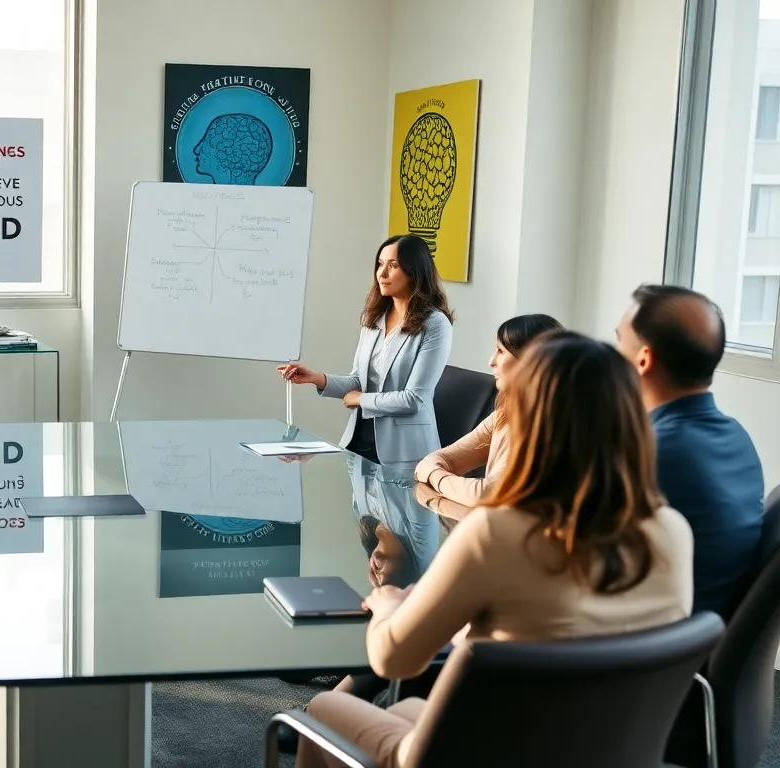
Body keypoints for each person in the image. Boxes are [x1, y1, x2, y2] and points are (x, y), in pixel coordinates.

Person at [294, 331, 693, 768]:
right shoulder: (672, 530)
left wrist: (389, 603)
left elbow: (395, 658)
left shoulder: (497, 533)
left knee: (322, 712)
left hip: (488, 752)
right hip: (605, 751)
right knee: (406, 711)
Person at [616, 284, 765, 618]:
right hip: (692, 643)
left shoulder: (649, 452)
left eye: (618, 341)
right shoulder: (737, 437)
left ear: (643, 359)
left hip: (637, 651)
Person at [279, 234, 454, 464]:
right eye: (380, 264)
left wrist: (361, 400)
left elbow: (413, 399)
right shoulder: (374, 319)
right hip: (359, 442)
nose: (382, 274)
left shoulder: (435, 324)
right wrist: (318, 379)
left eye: (393, 266)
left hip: (404, 452)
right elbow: (358, 381)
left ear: (415, 272)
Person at [414, 314, 563, 507]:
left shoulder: (547, 427)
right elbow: (441, 458)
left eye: (501, 351)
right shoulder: (505, 416)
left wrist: (435, 477)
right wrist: (435, 472)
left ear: (531, 361)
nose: (491, 361)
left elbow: (488, 495)